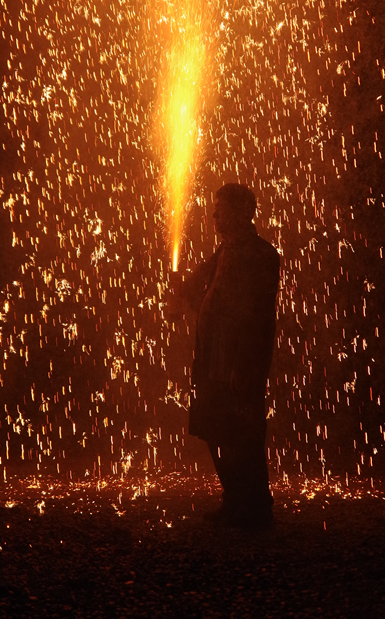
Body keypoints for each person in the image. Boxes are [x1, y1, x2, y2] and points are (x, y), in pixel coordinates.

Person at [176, 183, 280, 528]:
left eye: (220, 208)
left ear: (241, 212)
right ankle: (236, 501)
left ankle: (254, 508)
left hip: (237, 361)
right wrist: (181, 289)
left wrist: (244, 363)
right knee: (220, 430)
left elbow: (257, 316)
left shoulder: (260, 255)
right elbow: (196, 289)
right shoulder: (225, 252)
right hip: (215, 359)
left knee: (243, 432)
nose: (214, 215)